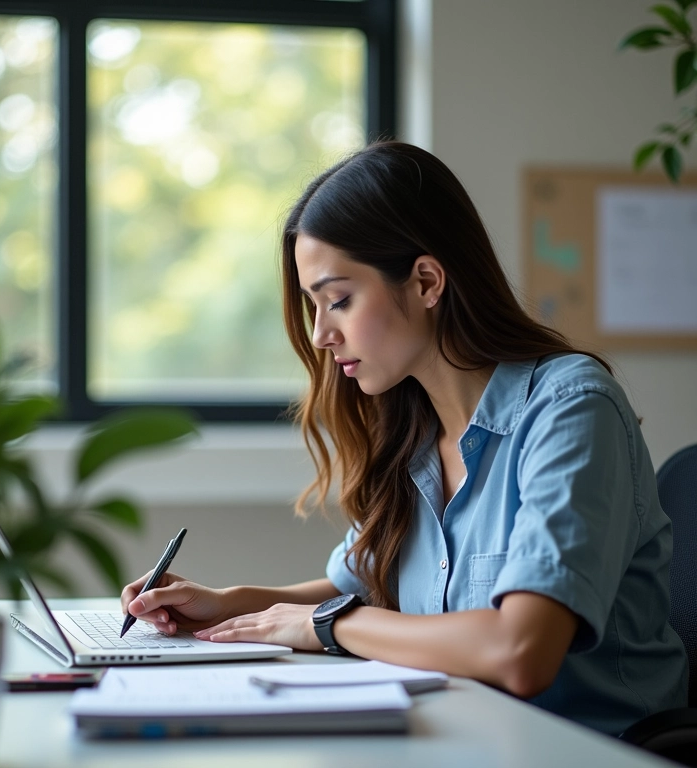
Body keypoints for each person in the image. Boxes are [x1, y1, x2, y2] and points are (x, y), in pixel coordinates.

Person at [122, 141, 688, 736]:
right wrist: (228, 602)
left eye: (338, 300)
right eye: (314, 306)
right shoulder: (414, 431)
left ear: (425, 281)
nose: (320, 335)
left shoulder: (571, 408)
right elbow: (355, 583)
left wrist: (330, 624)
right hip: (461, 740)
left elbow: (521, 651)